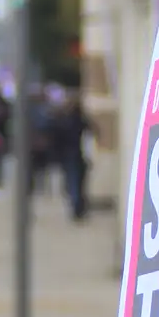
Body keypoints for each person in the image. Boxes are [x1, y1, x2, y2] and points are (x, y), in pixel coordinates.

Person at [51, 90, 90, 222]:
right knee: (77, 183)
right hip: (76, 154)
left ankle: (77, 207)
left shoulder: (64, 120)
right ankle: (78, 207)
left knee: (72, 182)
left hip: (70, 155)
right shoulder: (79, 120)